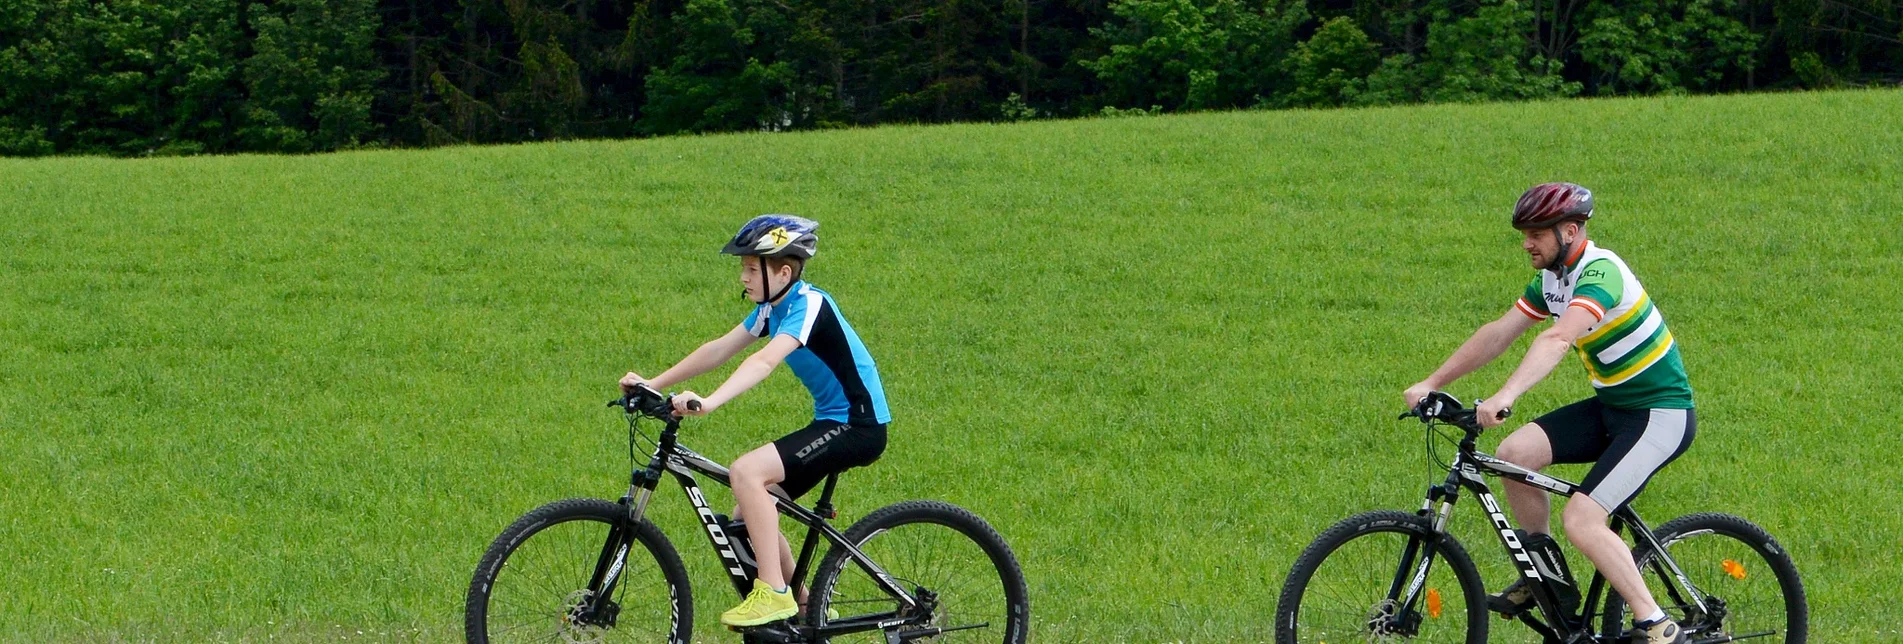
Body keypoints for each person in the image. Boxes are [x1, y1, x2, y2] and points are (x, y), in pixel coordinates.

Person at [1402, 183, 1696, 643]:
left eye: (1536, 233)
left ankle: (1656, 623)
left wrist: (1506, 395)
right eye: (1525, 233)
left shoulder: (1602, 273)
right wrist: (1432, 383)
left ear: (1571, 230)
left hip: (1660, 415)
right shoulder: (1552, 279)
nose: (1526, 243)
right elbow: (1500, 332)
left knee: (1581, 519)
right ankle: (1545, 576)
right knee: (1514, 453)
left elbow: (1557, 339)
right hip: (1612, 408)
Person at [620, 214, 891, 627]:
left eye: (751, 268)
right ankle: (804, 608)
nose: (743, 277)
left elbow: (764, 361)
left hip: (858, 424)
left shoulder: (809, 304)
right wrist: (651, 383)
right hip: (834, 421)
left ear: (783, 272)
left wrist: (709, 402)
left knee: (746, 472)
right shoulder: (771, 309)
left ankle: (774, 592)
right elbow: (718, 349)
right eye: (742, 268)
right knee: (747, 518)